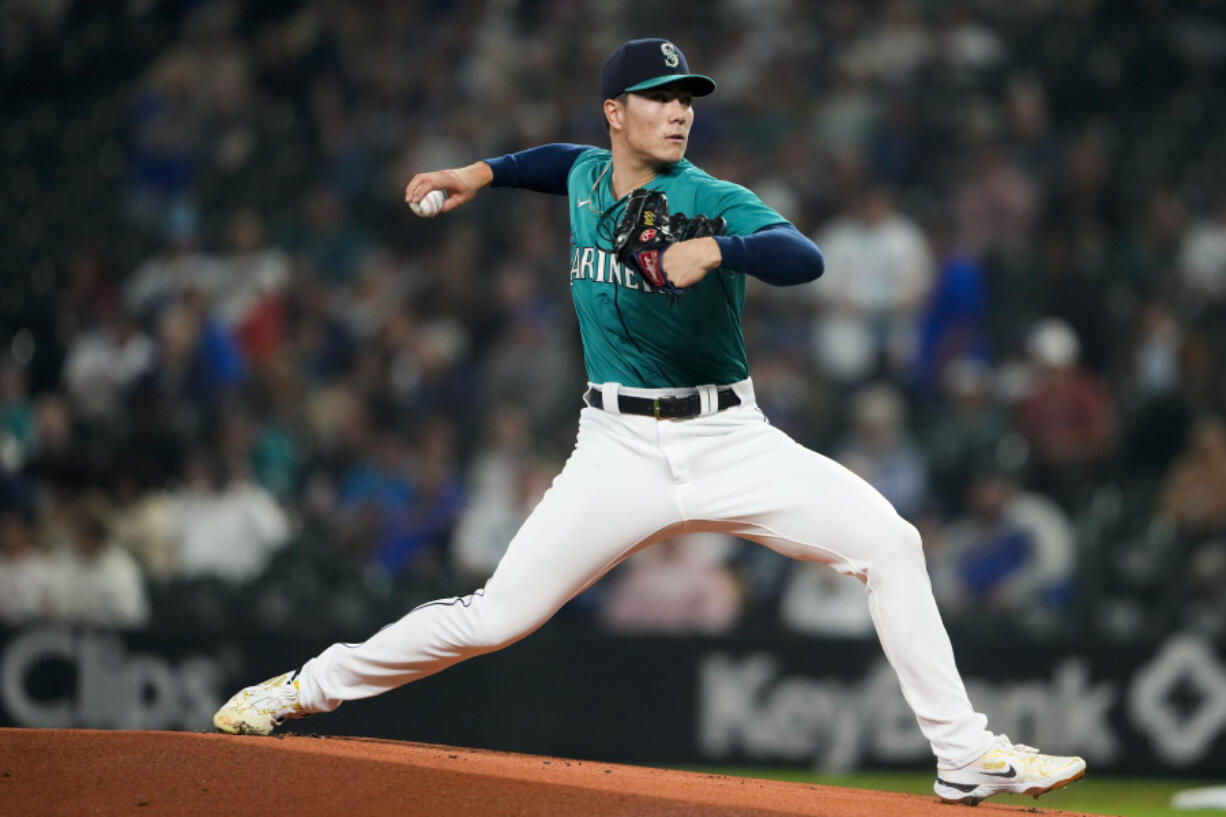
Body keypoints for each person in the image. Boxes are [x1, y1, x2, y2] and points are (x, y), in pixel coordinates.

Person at [213, 38, 1085, 805]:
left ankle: (964, 756)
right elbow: (551, 161)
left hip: (730, 438)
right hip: (617, 448)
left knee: (891, 544)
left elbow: (804, 257)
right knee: (492, 618)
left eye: (687, 99)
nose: (678, 112)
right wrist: (475, 173)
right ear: (615, 114)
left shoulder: (710, 197)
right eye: (661, 98)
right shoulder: (589, 172)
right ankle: (304, 686)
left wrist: (720, 247)